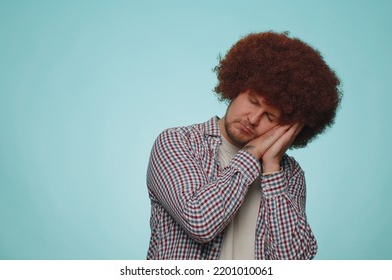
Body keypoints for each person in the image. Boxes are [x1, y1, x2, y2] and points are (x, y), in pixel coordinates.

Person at [145, 31, 341, 260]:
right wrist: (252, 153)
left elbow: (294, 263)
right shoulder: (177, 142)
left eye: (270, 116)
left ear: (288, 127)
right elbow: (199, 221)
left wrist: (271, 167)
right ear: (235, 87)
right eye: (253, 101)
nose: (254, 118)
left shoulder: (289, 174)